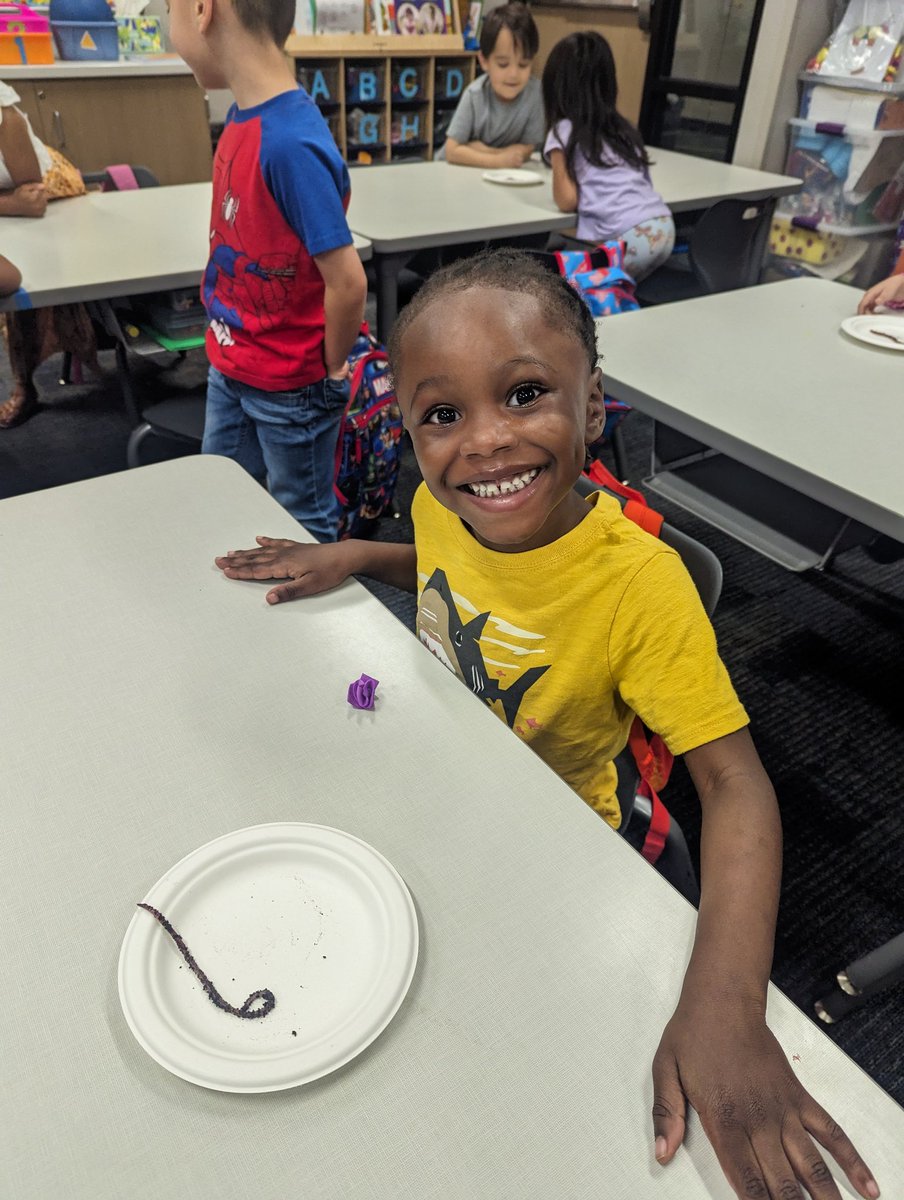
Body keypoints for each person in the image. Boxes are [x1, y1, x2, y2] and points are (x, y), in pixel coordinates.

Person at [213, 250, 878, 1200]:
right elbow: (452, 563)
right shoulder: (442, 505)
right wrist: (357, 553)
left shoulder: (638, 587)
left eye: (524, 394)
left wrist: (729, 1011)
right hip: (470, 792)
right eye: (442, 415)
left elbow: (738, 785)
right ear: (407, 428)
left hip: (582, 839)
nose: (482, 443)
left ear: (594, 400)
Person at [168, 0, 368, 542]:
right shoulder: (244, 115)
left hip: (290, 384)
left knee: (302, 522)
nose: (168, 29)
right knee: (221, 497)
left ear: (204, 10)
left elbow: (348, 282)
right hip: (231, 362)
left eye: (168, 8)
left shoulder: (288, 142)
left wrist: (327, 370)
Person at [542, 31, 675, 282]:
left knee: (566, 289)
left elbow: (567, 200)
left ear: (555, 89)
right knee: (617, 286)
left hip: (625, 237)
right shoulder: (623, 128)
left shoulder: (563, 130)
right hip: (662, 226)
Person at [0, 80, 96, 429]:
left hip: (45, 192)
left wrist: (11, 205)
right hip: (7, 203)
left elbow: (32, 198)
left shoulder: (3, 114)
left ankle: (28, 384)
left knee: (39, 285)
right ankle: (25, 386)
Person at [442, 2, 544, 168]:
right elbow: (452, 150)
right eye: (503, 64)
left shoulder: (534, 93)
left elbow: (529, 147)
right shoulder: (474, 95)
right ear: (484, 61)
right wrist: (498, 160)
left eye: (523, 65)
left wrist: (479, 149)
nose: (513, 74)